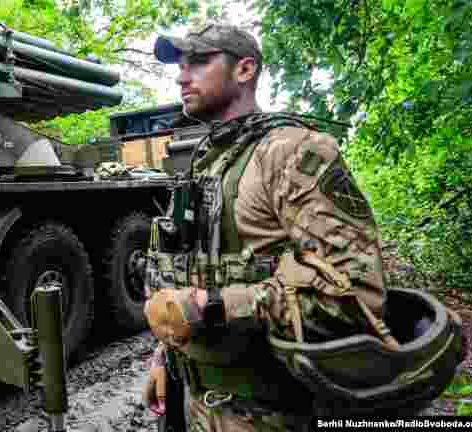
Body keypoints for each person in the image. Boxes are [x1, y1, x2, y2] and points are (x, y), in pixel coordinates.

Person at [141, 24, 421, 431]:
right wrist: (165, 357)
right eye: (180, 66)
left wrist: (212, 306)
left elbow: (357, 293)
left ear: (244, 70)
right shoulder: (208, 161)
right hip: (199, 401)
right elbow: (188, 274)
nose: (182, 77)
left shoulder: (291, 153)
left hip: (272, 411)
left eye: (198, 62)